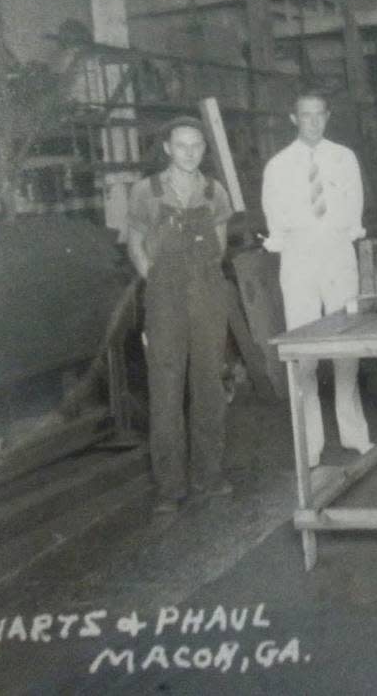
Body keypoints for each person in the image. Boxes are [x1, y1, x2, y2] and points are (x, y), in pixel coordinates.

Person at [261, 88, 373, 468]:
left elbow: (355, 206)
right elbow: (274, 220)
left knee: (347, 342)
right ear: (294, 118)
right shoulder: (277, 165)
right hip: (298, 256)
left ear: (328, 116)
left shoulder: (344, 158)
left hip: (338, 251)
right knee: (304, 348)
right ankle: (310, 444)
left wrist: (344, 236)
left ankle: (354, 433)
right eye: (304, 114)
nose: (312, 121)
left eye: (319, 114)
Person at [127, 117, 233, 514]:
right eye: (182, 145)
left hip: (207, 293)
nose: (190, 153)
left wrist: (198, 282)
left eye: (197, 146)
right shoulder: (146, 191)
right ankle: (169, 487)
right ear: (168, 148)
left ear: (204, 149)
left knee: (208, 384)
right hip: (164, 298)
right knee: (166, 388)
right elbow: (136, 243)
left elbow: (219, 247)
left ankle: (209, 476)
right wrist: (154, 281)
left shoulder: (214, 191)